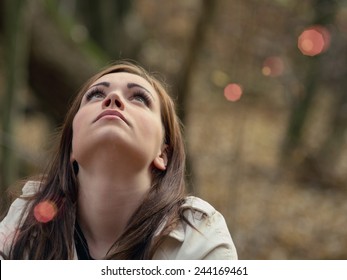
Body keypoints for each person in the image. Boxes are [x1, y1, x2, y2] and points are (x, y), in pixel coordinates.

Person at [0, 61, 237, 260]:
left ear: (163, 154)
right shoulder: (26, 221)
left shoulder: (198, 235)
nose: (113, 97)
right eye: (96, 94)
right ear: (71, 145)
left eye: (140, 98)